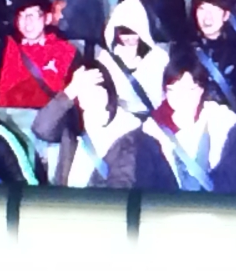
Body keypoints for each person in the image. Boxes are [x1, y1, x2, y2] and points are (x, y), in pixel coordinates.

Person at [32, 63, 178, 190]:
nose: (91, 95)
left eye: (97, 89)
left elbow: (121, 189)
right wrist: (70, 90)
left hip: (97, 209)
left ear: (108, 93)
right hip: (66, 206)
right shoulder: (72, 131)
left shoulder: (129, 135)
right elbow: (41, 129)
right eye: (83, 90)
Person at [142, 52, 236, 193]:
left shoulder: (221, 121)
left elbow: (234, 179)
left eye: (190, 89)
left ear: (201, 90)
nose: (182, 96)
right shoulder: (152, 130)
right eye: (173, 89)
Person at [0, 0, 79, 108]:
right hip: (14, 116)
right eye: (22, 16)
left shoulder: (65, 50)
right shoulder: (5, 49)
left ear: (47, 18)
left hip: (53, 116)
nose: (28, 21)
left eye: (34, 15)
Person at [95, 0, 169, 116]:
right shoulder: (105, 60)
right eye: (124, 32)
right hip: (122, 122)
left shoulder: (159, 57)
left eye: (134, 32)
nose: (129, 38)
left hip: (155, 121)